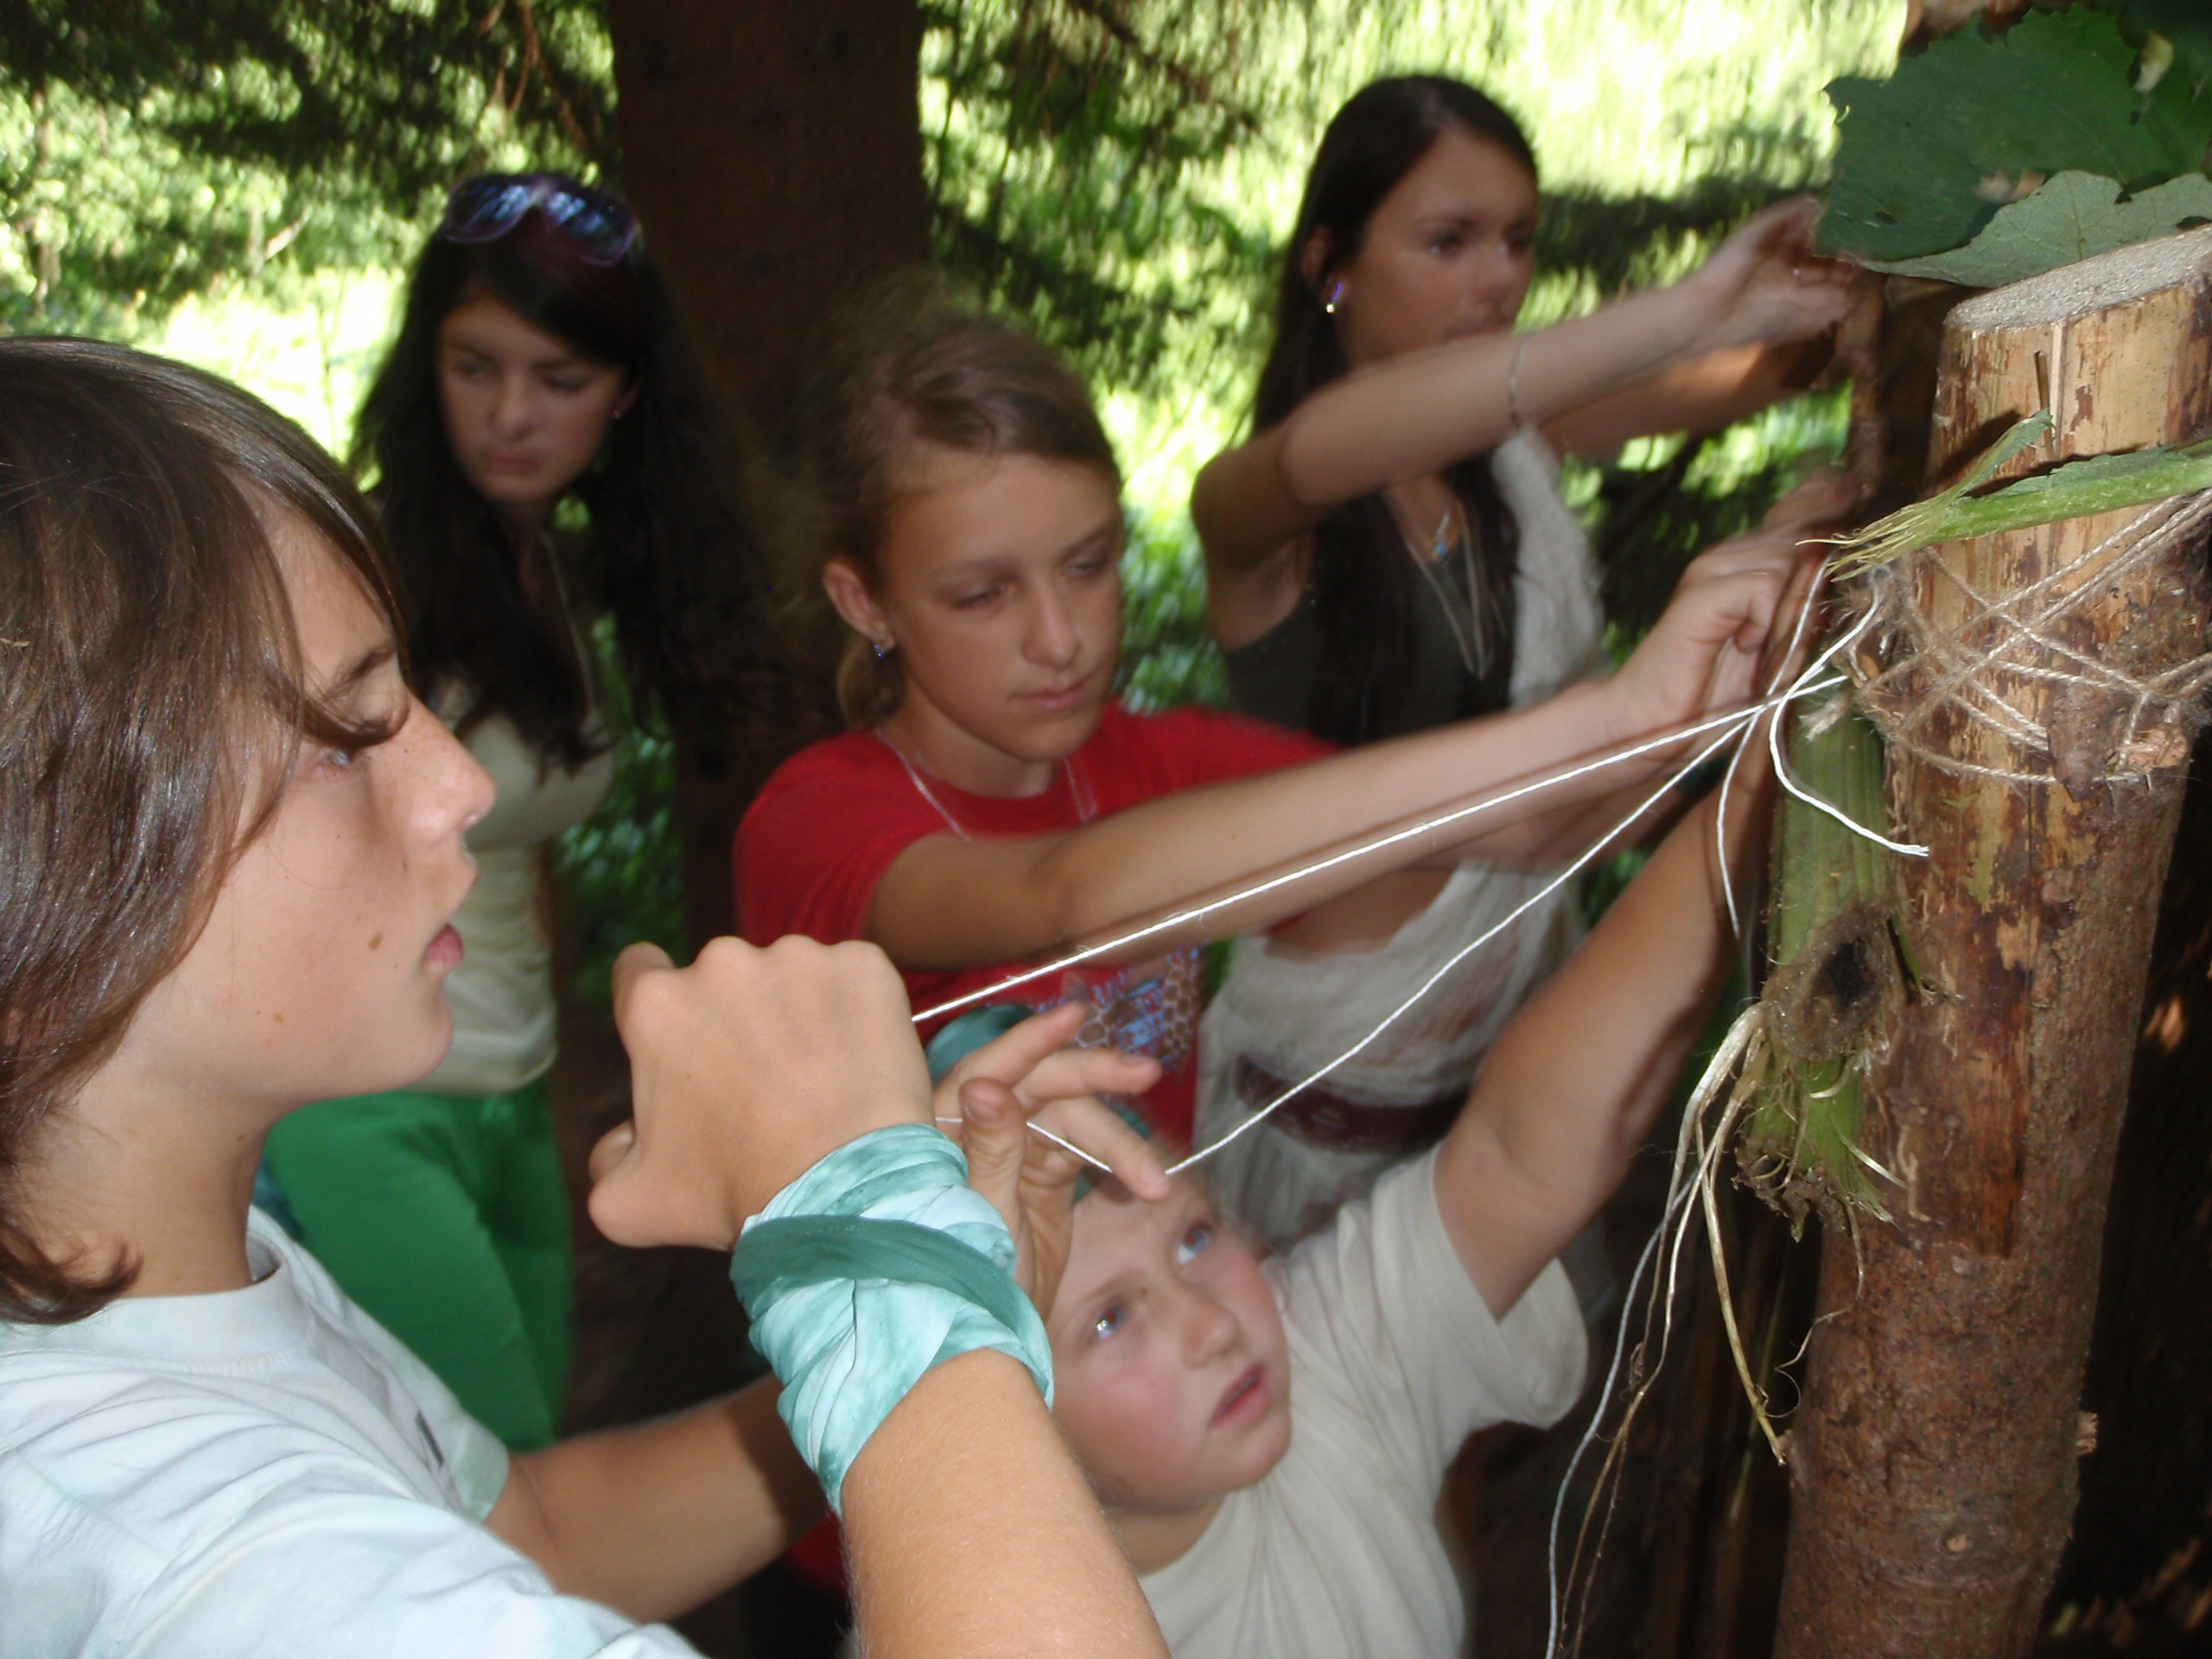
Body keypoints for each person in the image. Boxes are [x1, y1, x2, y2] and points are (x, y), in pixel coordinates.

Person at [0, 336, 1173, 1659]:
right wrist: (874, 1242)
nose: (459, 785)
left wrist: (898, 1307)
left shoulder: (183, 1288)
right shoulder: (241, 1586)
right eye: (339, 743)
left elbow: (537, 1535)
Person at [734, 303, 1817, 1154]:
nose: (1060, 639)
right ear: (865, 602)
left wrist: (1730, 678)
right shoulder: (818, 821)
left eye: (1089, 564)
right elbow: (1067, 899)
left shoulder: (1159, 759)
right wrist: (1611, 713)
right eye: (981, 595)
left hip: (1163, 1294)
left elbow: (1520, 829)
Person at [1187, 76, 1854, 1243]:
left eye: (1518, 239)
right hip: (1321, 1112)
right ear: (1328, 266)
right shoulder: (1253, 505)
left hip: (1513, 1084)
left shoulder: (1513, 444)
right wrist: (1694, 308)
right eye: (1448, 241)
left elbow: (1758, 373)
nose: (1498, 277)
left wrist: (1849, 278)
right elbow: (1320, 451)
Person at [1039, 666, 1796, 1659]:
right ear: (996, 1412)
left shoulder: (1321, 1354)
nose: (1212, 1323)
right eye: (1108, 1319)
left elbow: (1518, 1153)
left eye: (1192, 1238)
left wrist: (1763, 776)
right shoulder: (989, 1624)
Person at [260, 173, 773, 1449]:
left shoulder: (553, 572)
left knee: (531, 1440)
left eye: (560, 379)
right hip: (365, 1104)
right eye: (474, 366)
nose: (509, 415)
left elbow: (521, 869)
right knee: (504, 1479)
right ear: (426, 365)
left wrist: (557, 1069)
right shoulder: (365, 569)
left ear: (629, 393)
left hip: (513, 1086)